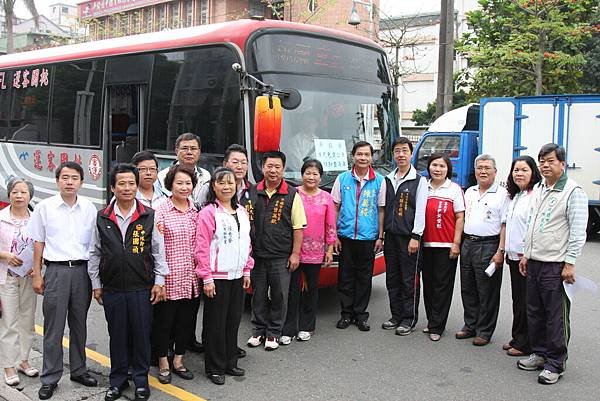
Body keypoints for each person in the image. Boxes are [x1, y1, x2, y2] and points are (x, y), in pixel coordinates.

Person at [88, 164, 169, 401]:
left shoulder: (148, 215)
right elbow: (94, 252)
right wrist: (96, 284)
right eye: (121, 183)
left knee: (142, 335)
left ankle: (141, 381)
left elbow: (157, 250)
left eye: (131, 183)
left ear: (137, 186)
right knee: (118, 336)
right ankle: (118, 380)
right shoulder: (102, 217)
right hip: (112, 288)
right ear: (112, 187)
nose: (127, 188)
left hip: (141, 287)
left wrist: (159, 281)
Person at [517, 143, 588, 385]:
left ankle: (556, 362)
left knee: (555, 316)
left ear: (562, 164)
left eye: (550, 161)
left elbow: (578, 231)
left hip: (555, 265)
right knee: (534, 312)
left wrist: (570, 263)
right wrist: (526, 254)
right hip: (535, 261)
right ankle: (539, 353)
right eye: (542, 161)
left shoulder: (572, 191)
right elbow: (532, 225)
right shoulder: (539, 188)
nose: (545, 165)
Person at [28, 161, 99, 400]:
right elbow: (38, 242)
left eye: (74, 178)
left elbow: (93, 247)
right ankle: (50, 377)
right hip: (56, 271)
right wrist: (37, 273)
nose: (69, 182)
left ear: (81, 182)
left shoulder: (89, 208)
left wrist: (95, 279)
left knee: (79, 325)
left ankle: (79, 370)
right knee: (53, 327)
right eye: (65, 177)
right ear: (57, 180)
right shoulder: (45, 207)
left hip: (82, 272)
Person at [194, 167, 254, 385]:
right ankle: (214, 366)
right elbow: (201, 248)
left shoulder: (241, 212)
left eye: (231, 183)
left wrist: (247, 269)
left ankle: (230, 361)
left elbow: (246, 243)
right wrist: (206, 278)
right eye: (222, 182)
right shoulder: (208, 213)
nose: (227, 186)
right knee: (215, 323)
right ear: (214, 186)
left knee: (232, 321)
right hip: (216, 277)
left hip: (237, 275)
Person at [245, 150, 307, 351]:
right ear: (262, 168)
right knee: (258, 294)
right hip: (257, 255)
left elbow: (298, 227)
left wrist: (295, 253)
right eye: (269, 166)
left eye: (277, 167)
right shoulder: (252, 192)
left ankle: (274, 333)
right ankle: (258, 330)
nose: (272, 170)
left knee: (280, 295)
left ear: (283, 169)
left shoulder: (291, 194)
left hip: (281, 255)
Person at [157, 133, 208, 354]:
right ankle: (164, 352)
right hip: (169, 269)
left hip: (190, 269)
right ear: (176, 150)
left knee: (188, 312)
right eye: (185, 148)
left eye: (194, 148)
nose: (189, 152)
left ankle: (184, 345)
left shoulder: (206, 176)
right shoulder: (161, 180)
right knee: (166, 317)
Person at [280, 159, 336, 344]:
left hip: (316, 251)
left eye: (315, 174)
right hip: (294, 250)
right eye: (308, 173)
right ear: (301, 174)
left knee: (311, 289)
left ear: (320, 177)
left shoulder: (326, 197)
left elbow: (330, 225)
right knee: (292, 290)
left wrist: (329, 249)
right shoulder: (293, 194)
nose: (311, 177)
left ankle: (307, 326)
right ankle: (288, 328)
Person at [153, 165, 200, 384]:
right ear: (170, 184)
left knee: (185, 322)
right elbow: (156, 246)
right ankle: (163, 362)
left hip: (191, 278)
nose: (184, 187)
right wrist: (159, 280)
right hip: (169, 278)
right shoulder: (161, 209)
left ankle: (179, 360)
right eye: (179, 183)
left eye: (188, 183)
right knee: (164, 323)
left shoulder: (196, 209)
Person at [332, 141, 385, 332]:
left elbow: (381, 210)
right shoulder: (342, 179)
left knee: (364, 278)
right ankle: (346, 314)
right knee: (345, 277)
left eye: (367, 155)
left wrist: (380, 236)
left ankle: (361, 315)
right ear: (353, 156)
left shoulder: (379, 181)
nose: (363, 158)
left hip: (368, 237)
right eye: (359, 154)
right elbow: (335, 207)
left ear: (372, 157)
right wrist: (334, 236)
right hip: (345, 236)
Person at [456, 154, 509, 346]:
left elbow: (504, 225)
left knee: (487, 290)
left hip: (489, 245)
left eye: (487, 167)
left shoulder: (503, 194)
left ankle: (484, 330)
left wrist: (500, 251)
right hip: (468, 243)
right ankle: (470, 325)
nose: (483, 171)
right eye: (479, 167)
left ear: (495, 171)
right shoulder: (469, 191)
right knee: (467, 287)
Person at [381, 137, 428, 336]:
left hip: (409, 237)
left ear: (411, 154)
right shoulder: (388, 179)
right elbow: (383, 209)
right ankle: (396, 315)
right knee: (392, 278)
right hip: (390, 236)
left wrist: (416, 236)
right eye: (397, 151)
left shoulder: (419, 181)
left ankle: (409, 318)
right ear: (393, 155)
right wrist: (381, 235)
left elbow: (420, 211)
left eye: (404, 151)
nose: (401, 154)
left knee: (409, 280)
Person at [421, 153, 465, 341]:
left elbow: (460, 217)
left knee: (442, 286)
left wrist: (456, 243)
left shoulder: (454, 189)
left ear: (448, 169)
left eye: (442, 166)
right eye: (434, 165)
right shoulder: (424, 187)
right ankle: (432, 320)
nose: (437, 169)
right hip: (425, 244)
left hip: (446, 246)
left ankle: (438, 326)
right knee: (428, 285)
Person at [502, 156, 541, 357]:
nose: (519, 174)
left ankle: (527, 343)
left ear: (533, 172)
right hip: (513, 256)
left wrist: (526, 252)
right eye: (516, 170)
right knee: (518, 300)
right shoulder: (517, 195)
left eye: (524, 170)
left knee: (527, 302)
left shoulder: (535, 195)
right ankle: (517, 337)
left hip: (526, 257)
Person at [0, 178, 38, 386]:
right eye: (15, 192)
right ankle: (8, 365)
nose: (19, 196)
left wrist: (37, 267)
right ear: (9, 195)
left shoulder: (35, 219)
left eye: (24, 192)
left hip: (28, 277)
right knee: (9, 322)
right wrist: (5, 255)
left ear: (30, 196)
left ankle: (23, 360)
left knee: (27, 320)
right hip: (6, 277)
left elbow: (42, 247)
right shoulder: (1, 218)